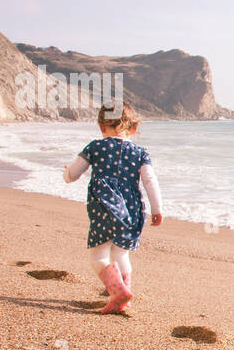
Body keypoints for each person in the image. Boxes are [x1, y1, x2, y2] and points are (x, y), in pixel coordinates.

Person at [62, 103, 163, 313]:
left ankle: (118, 293)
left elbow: (72, 175)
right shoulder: (140, 152)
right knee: (121, 254)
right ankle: (125, 296)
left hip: (104, 209)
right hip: (132, 212)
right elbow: (150, 182)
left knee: (98, 255)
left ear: (101, 126)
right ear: (133, 128)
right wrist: (157, 210)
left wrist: (66, 173)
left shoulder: (95, 148)